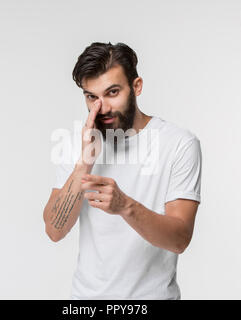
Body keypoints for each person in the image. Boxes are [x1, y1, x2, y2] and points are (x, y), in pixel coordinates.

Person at [43, 42, 202, 300]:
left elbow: (180, 239)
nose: (101, 108)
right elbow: (54, 230)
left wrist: (126, 206)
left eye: (112, 92)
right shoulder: (77, 142)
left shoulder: (179, 144)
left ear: (136, 87)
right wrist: (84, 162)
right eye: (91, 97)